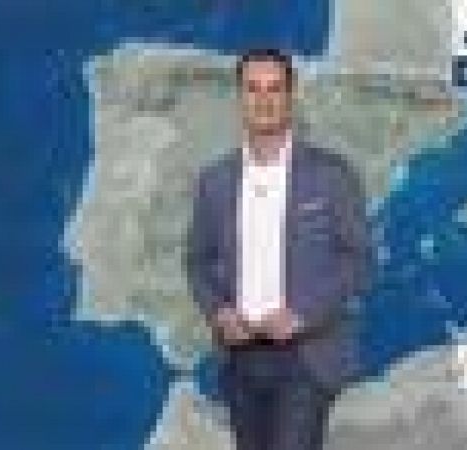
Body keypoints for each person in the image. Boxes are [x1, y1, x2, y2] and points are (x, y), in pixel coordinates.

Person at [184, 48, 371, 450]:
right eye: (253, 89)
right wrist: (219, 312)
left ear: (290, 96)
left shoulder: (332, 175)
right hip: (240, 356)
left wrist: (303, 314)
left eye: (274, 88)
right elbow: (196, 261)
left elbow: (358, 259)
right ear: (239, 97)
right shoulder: (214, 181)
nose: (264, 99)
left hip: (307, 357)